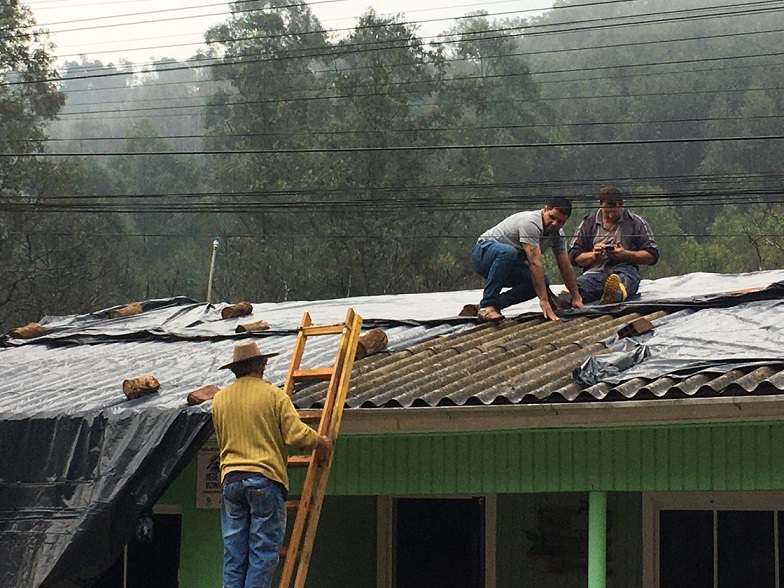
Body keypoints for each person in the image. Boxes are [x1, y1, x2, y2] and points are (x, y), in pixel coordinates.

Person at [212, 341, 332, 588]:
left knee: (234, 553)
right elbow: (297, 436)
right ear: (262, 365)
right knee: (262, 553)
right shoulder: (274, 395)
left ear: (235, 369)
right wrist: (320, 442)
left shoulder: (220, 399)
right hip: (263, 478)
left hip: (231, 481)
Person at [470, 197, 584, 322]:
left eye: (560, 222)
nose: (555, 224)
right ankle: (487, 305)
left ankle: (493, 306)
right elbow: (534, 262)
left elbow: (565, 266)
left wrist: (576, 297)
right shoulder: (531, 223)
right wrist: (543, 300)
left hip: (507, 266)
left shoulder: (558, 235)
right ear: (545, 209)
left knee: (542, 282)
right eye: (552, 217)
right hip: (483, 255)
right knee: (508, 252)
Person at [568, 184, 659, 304]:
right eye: (607, 210)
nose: (611, 214)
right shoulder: (588, 223)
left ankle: (614, 292)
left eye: (615, 209)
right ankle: (567, 298)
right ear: (600, 204)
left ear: (622, 204)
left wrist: (625, 254)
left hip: (625, 271)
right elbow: (573, 257)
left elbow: (652, 255)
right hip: (594, 273)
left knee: (625, 282)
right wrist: (594, 255)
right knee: (577, 288)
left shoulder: (635, 222)